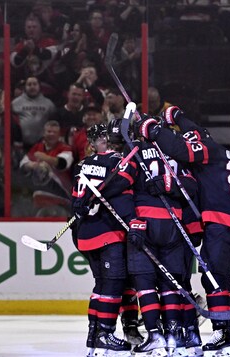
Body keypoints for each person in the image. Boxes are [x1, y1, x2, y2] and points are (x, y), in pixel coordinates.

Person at [134, 106, 230, 357]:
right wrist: (177, 117)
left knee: (213, 278)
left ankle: (222, 332)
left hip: (221, 215)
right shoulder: (219, 149)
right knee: (222, 278)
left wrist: (152, 130)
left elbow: (179, 149)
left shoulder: (206, 149)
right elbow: (193, 133)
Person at [71, 122, 137, 357]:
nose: (103, 140)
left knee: (100, 285)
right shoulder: (117, 161)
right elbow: (128, 180)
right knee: (114, 283)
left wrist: (82, 204)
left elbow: (77, 199)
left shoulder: (84, 165)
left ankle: (94, 334)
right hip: (108, 232)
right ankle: (105, 334)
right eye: (99, 137)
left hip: (87, 234)